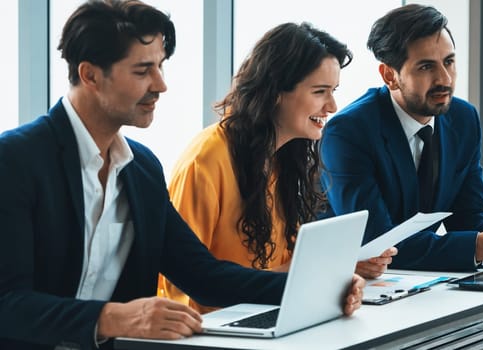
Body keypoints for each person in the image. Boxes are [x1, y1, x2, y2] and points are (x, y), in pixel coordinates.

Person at [0, 2, 363, 349]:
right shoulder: (16, 159)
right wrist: (111, 318)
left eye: (161, 67)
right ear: (90, 75)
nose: (161, 85)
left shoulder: (141, 169)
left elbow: (203, 276)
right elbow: (7, 302)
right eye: (143, 71)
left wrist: (320, 288)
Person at [157, 22, 395, 313]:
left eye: (333, 91)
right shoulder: (206, 159)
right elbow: (179, 286)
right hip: (213, 330)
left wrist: (340, 269)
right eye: (320, 91)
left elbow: (278, 270)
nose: (332, 106)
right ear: (275, 92)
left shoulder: (285, 158)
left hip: (267, 312)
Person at [320, 4, 483, 271]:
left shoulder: (463, 119)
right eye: (426, 67)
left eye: (449, 62)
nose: (444, 78)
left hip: (420, 282)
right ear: (390, 76)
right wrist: (481, 246)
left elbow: (470, 214)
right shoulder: (348, 132)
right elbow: (376, 242)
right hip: (354, 284)